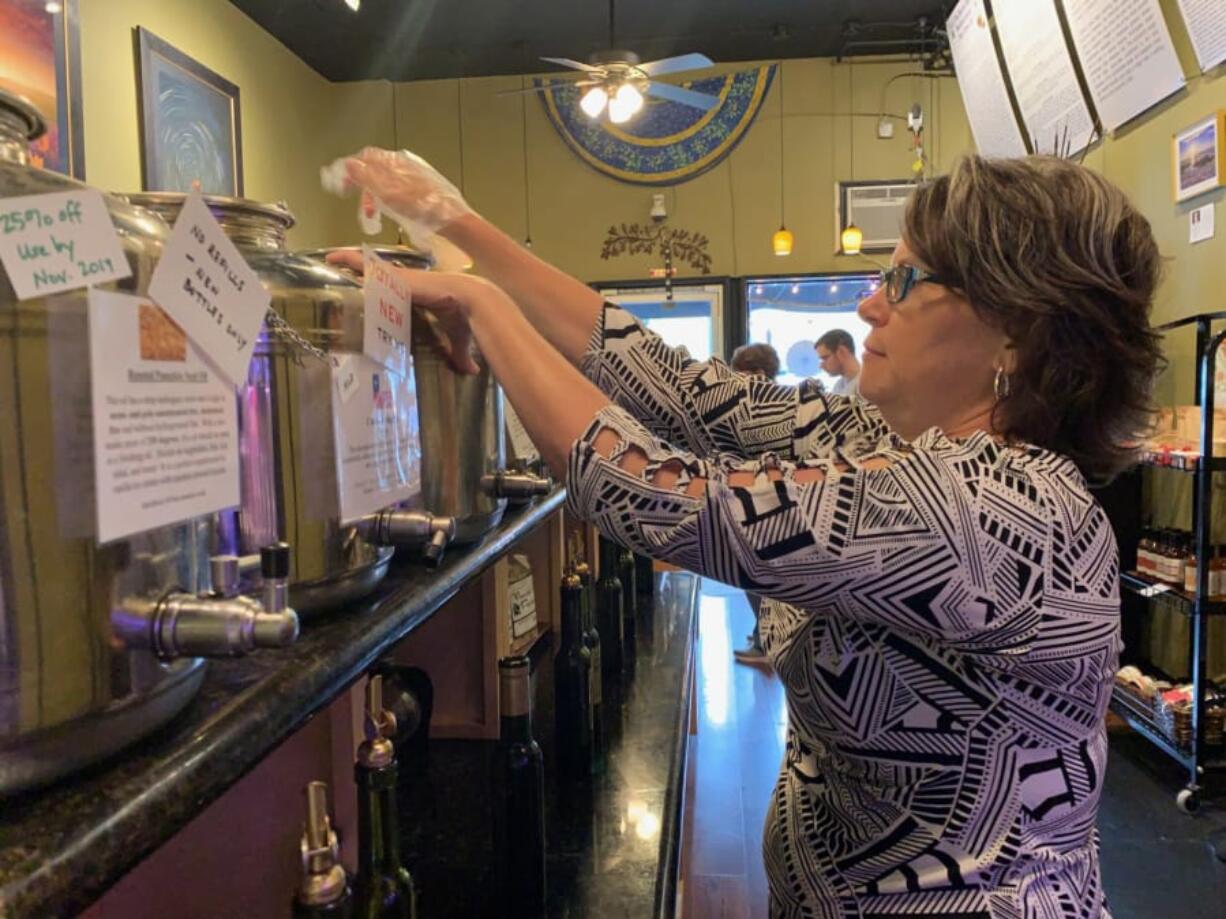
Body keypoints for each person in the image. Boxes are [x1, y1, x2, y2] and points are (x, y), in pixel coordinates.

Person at [331, 148, 1162, 918]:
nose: (871, 300)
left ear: (1014, 326)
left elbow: (653, 491)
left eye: (904, 278)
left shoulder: (999, 507)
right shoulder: (884, 442)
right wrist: (450, 218)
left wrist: (484, 303)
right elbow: (678, 388)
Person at [729, 342, 781, 666]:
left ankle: (767, 642)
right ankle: (764, 632)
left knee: (754, 575)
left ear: (758, 373)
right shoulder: (777, 400)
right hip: (766, 495)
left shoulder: (760, 403)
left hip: (762, 498)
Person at [815, 328, 861, 396]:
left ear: (842, 352)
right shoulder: (838, 385)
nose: (821, 366)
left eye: (825, 358)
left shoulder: (868, 385)